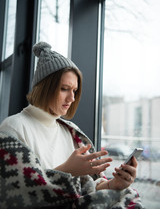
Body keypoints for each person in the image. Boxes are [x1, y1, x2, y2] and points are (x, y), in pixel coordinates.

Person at [0, 42, 144, 209]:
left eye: (74, 90)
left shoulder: (70, 131)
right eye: (64, 89)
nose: (72, 98)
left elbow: (86, 189)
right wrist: (68, 170)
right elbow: (16, 197)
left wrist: (114, 184)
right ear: (43, 87)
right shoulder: (12, 129)